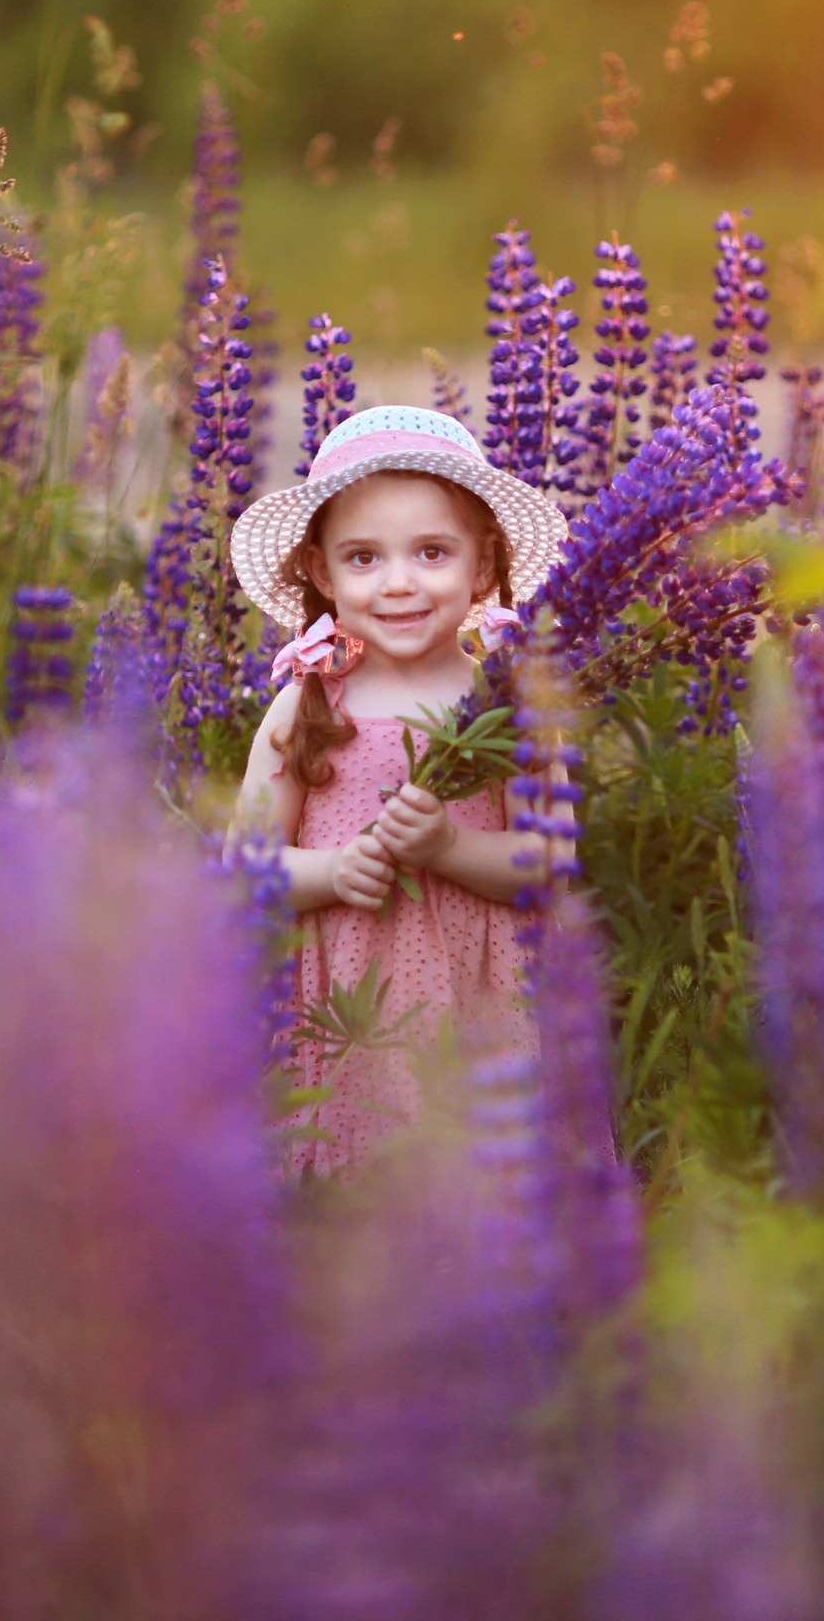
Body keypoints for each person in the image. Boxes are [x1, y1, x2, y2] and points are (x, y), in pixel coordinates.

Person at [229, 406, 570, 1177]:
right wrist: (332, 870)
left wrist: (450, 847)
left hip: (474, 1005)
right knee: (348, 1196)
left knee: (468, 1184)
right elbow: (246, 863)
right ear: (321, 573)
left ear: (483, 564)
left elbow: (550, 857)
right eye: (363, 558)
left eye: (431, 552)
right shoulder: (303, 707)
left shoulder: (512, 706)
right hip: (341, 1008)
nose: (399, 583)